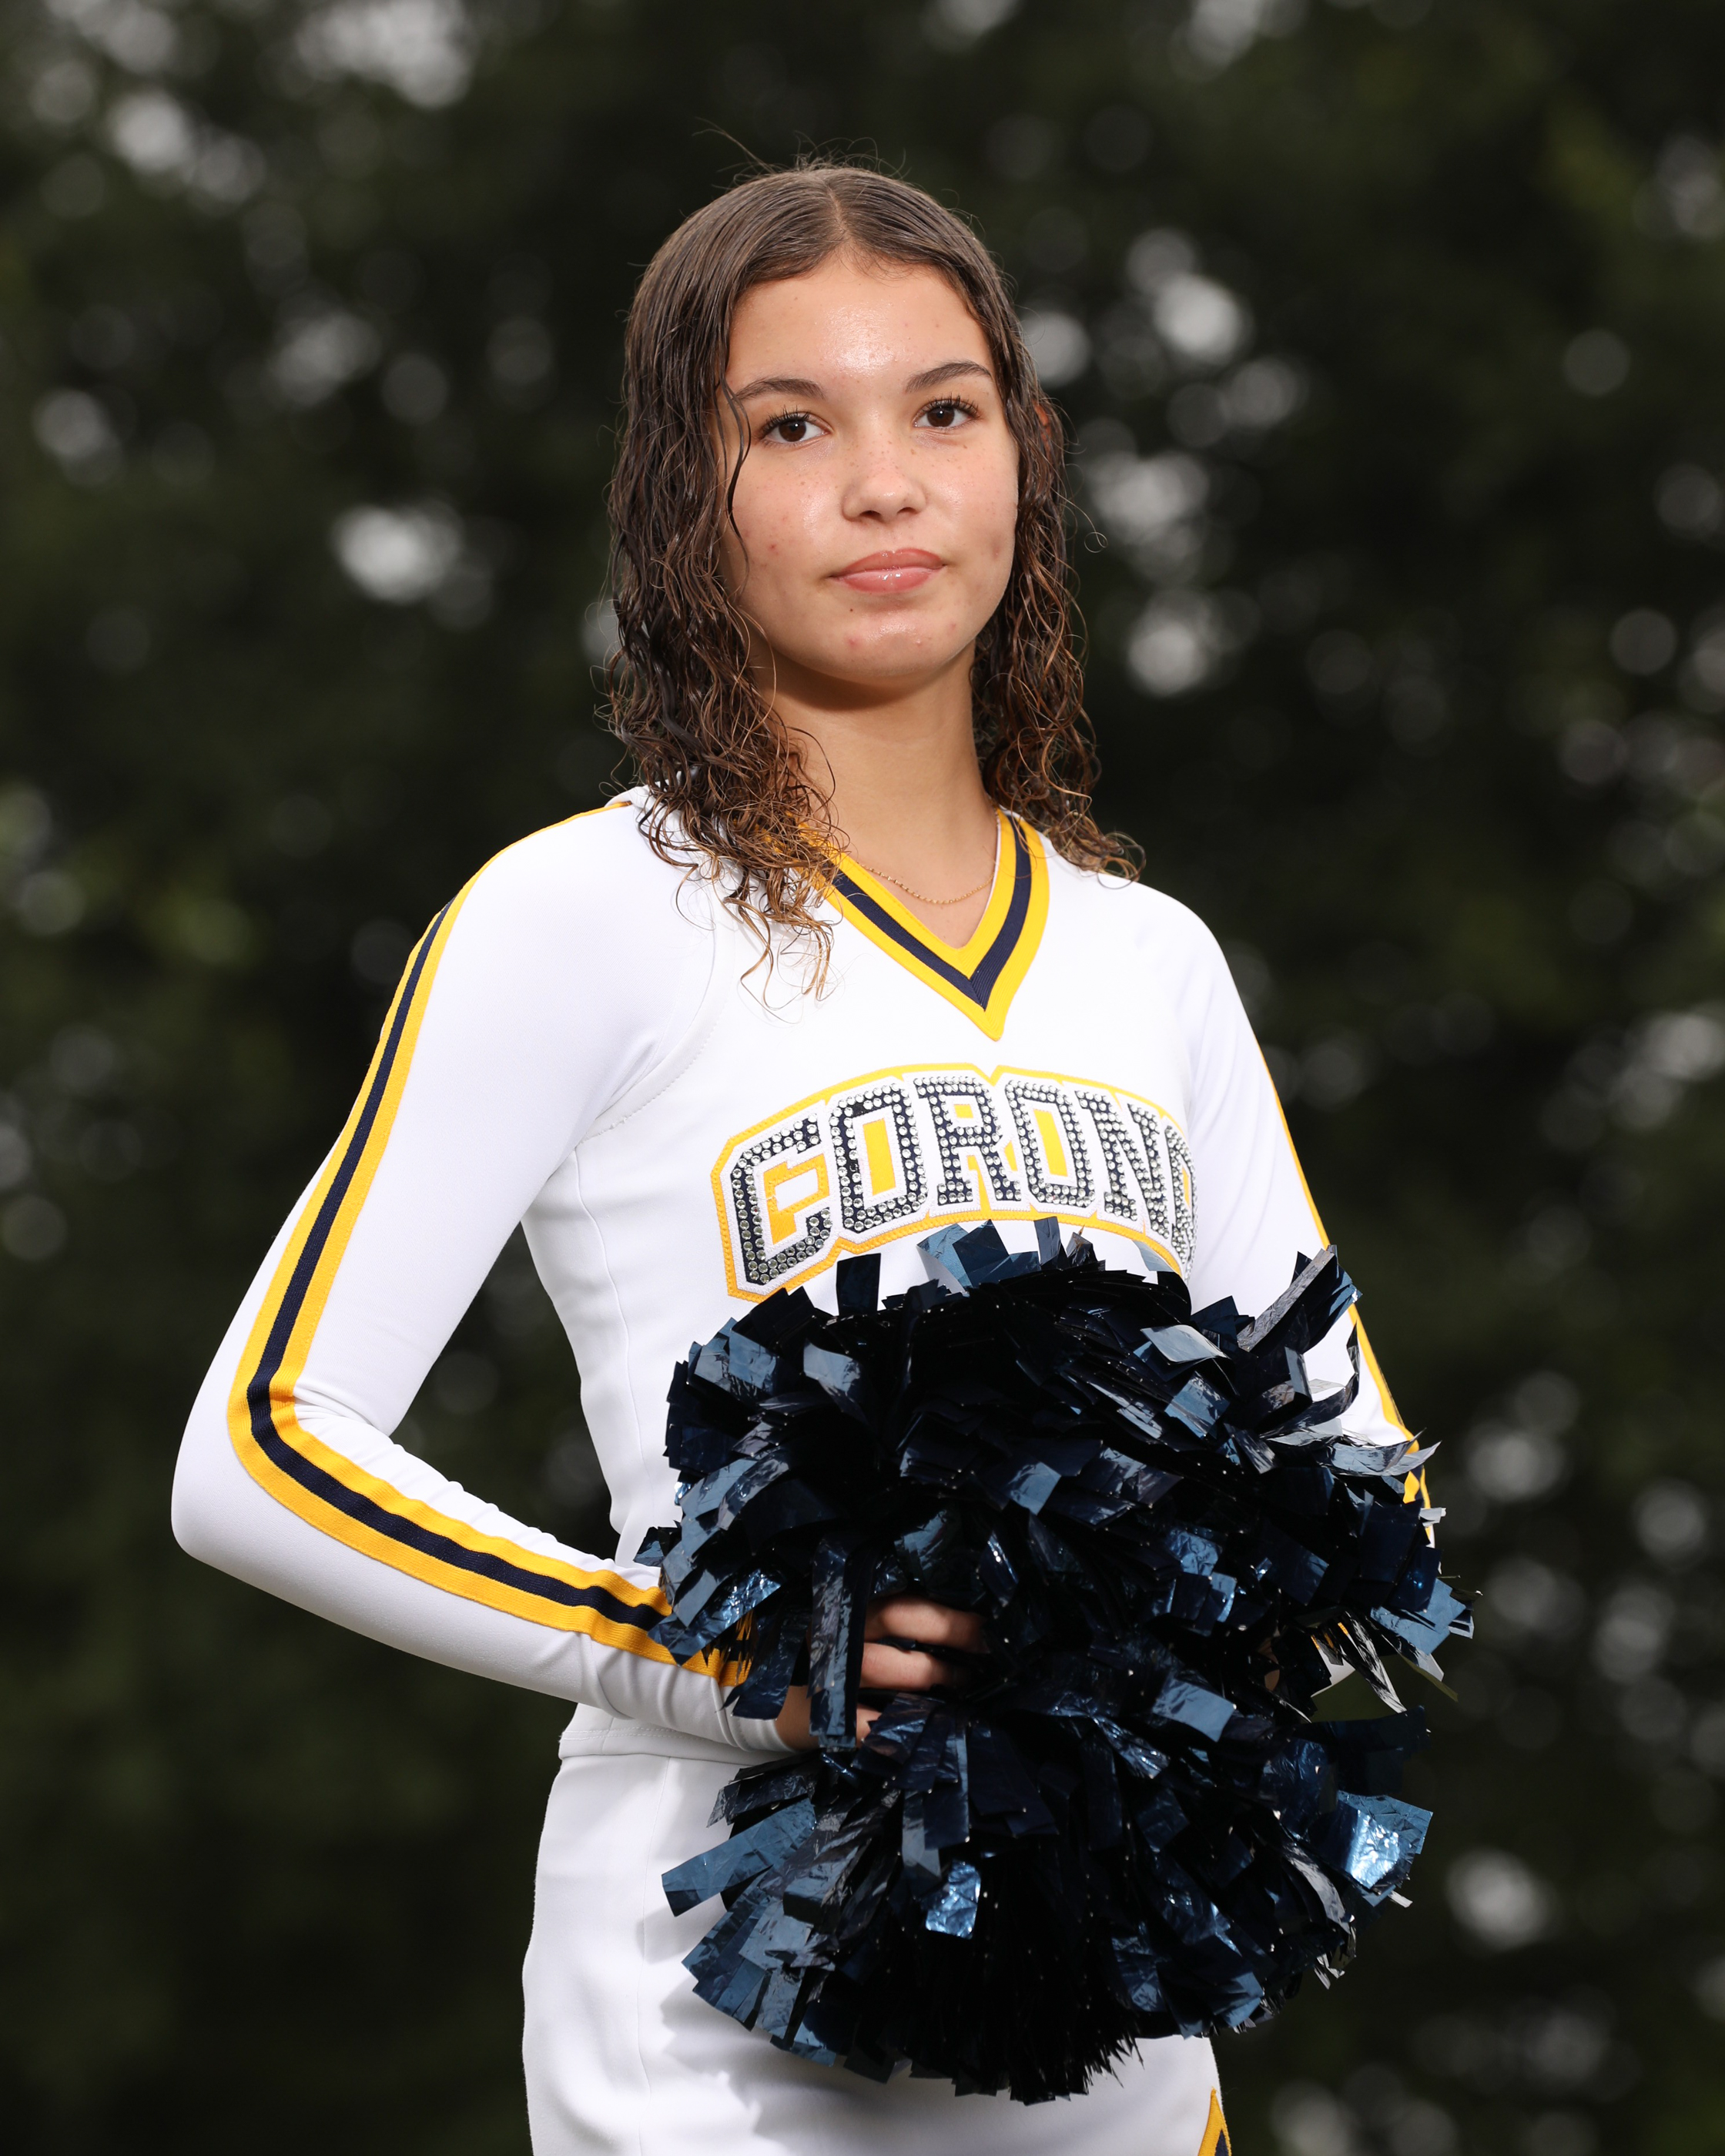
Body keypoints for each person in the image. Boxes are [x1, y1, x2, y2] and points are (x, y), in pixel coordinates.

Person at [173, 159, 1405, 2156]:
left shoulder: (1147, 957)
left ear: (1026, 452)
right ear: (686, 491)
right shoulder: (583, 915)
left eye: (943, 409)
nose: (886, 485)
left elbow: (1352, 1466)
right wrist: (723, 1652)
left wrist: (1133, 1615)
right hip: (710, 2040)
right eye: (793, 427)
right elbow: (257, 1451)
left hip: (1119, 2042)